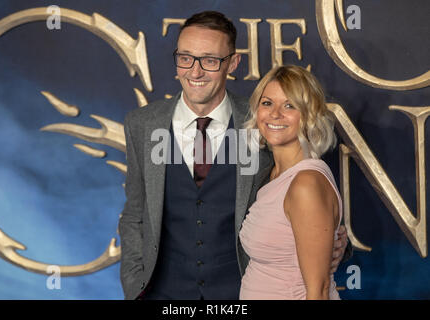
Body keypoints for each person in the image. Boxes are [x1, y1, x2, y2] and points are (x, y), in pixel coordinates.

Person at [119, 11, 349, 300]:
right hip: (164, 295)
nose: (195, 71)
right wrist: (133, 285)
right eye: (186, 58)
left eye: (210, 60)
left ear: (233, 63)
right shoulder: (142, 123)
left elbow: (309, 201)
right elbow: (134, 214)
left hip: (240, 292)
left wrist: (338, 243)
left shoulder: (262, 123)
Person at [239, 65, 343, 300]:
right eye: (267, 103)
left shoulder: (306, 183)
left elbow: (319, 290)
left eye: (289, 106)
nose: (275, 114)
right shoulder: (272, 174)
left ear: (308, 115)